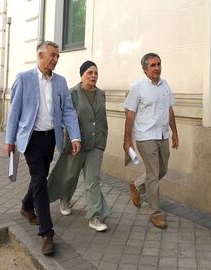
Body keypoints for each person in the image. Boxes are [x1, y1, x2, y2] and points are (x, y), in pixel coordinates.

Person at [5, 41, 81, 255]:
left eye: (58, 56)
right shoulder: (23, 78)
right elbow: (14, 112)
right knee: (39, 180)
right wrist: (10, 141)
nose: (56, 59)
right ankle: (47, 233)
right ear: (40, 55)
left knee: (40, 177)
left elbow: (68, 110)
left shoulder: (60, 82)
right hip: (30, 139)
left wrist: (74, 135)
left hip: (50, 139)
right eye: (53, 55)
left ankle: (26, 206)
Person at [47, 60, 111, 232]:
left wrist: (103, 139)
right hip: (77, 143)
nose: (93, 76)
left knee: (92, 180)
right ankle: (64, 198)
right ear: (82, 75)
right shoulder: (73, 93)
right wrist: (67, 140)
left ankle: (95, 216)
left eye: (96, 73)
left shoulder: (101, 94)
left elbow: (102, 119)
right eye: (90, 72)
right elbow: (65, 118)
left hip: (96, 143)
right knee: (70, 175)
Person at [123, 52, 179, 229]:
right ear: (145, 69)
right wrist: (127, 140)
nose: (157, 68)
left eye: (159, 64)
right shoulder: (137, 87)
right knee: (154, 174)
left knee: (162, 170)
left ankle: (137, 185)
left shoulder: (165, 85)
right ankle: (155, 213)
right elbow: (130, 115)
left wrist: (175, 132)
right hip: (145, 136)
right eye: (153, 65)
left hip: (163, 135)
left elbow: (169, 110)